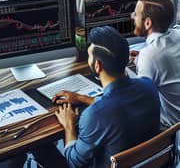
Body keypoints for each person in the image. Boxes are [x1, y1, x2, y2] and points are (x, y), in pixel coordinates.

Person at [32, 26, 160, 168]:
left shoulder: (95, 115)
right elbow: (119, 105)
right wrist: (82, 98)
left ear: (97, 65)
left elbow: (73, 162)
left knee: (40, 146)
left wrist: (69, 126)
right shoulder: (149, 87)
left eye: (89, 55)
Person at [131, 0, 180, 128]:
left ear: (147, 23)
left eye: (136, 15)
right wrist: (140, 59)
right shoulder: (177, 33)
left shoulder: (149, 55)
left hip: (169, 130)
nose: (133, 17)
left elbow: (138, 103)